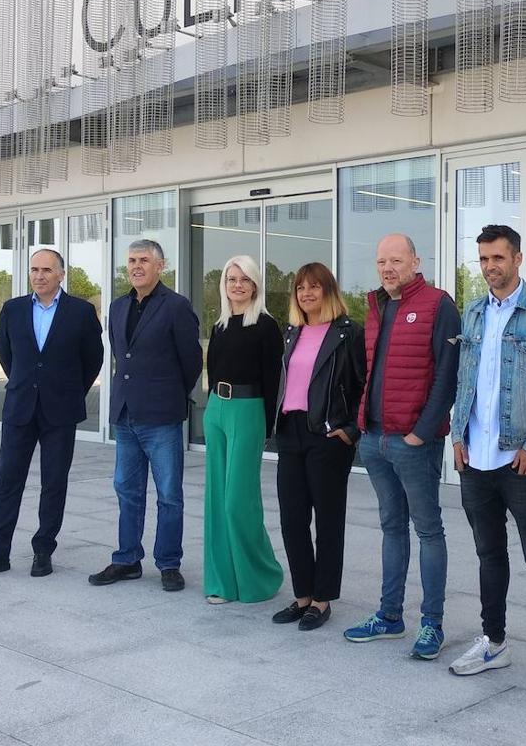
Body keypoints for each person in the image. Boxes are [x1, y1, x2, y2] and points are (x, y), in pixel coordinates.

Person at [447, 225, 526, 697]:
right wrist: (458, 434)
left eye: (498, 257)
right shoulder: (473, 311)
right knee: (488, 553)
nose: (490, 266)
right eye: (483, 259)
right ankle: (494, 641)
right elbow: (465, 380)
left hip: (521, 459)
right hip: (474, 458)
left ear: (518, 258)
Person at [343, 233, 461, 661]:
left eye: (396, 260)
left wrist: (422, 433)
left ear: (415, 260)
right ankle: (389, 616)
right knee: (392, 528)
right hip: (374, 439)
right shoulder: (376, 307)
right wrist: (363, 427)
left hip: (413, 442)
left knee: (428, 530)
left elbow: (448, 375)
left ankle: (432, 623)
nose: (387, 268)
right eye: (381, 262)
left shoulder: (438, 304)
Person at [0, 249, 103, 580]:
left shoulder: (81, 312)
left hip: (61, 411)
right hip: (20, 408)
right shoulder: (13, 309)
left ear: (61, 274)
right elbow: (6, 355)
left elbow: (92, 360)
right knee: (8, 481)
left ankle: (43, 550)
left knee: (54, 482)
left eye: (46, 270)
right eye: (34, 270)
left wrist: (68, 390)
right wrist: (26, 384)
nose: (39, 275)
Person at [89, 239, 202, 592]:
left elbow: (192, 363)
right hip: (125, 415)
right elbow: (123, 359)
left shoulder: (177, 307)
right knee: (127, 490)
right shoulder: (118, 306)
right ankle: (127, 559)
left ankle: (169, 562)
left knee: (169, 494)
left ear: (160, 266)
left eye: (144, 260)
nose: (136, 266)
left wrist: (168, 394)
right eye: (132, 260)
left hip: (161, 417)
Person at [270, 263, 366, 631]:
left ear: (329, 291)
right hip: (291, 432)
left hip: (326, 435)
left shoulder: (347, 332)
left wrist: (350, 430)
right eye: (300, 288)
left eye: (314, 287)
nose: (307, 294)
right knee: (292, 519)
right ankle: (302, 596)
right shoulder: (292, 332)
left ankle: (322, 600)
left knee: (327, 521)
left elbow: (362, 387)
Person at [202, 254, 284, 604]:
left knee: (239, 501)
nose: (237, 285)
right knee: (216, 502)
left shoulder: (266, 326)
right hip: (217, 411)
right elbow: (212, 369)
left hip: (249, 412)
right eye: (231, 279)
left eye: (244, 279)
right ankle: (222, 582)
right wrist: (210, 410)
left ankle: (260, 577)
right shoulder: (219, 326)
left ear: (254, 285)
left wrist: (267, 426)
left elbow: (273, 379)